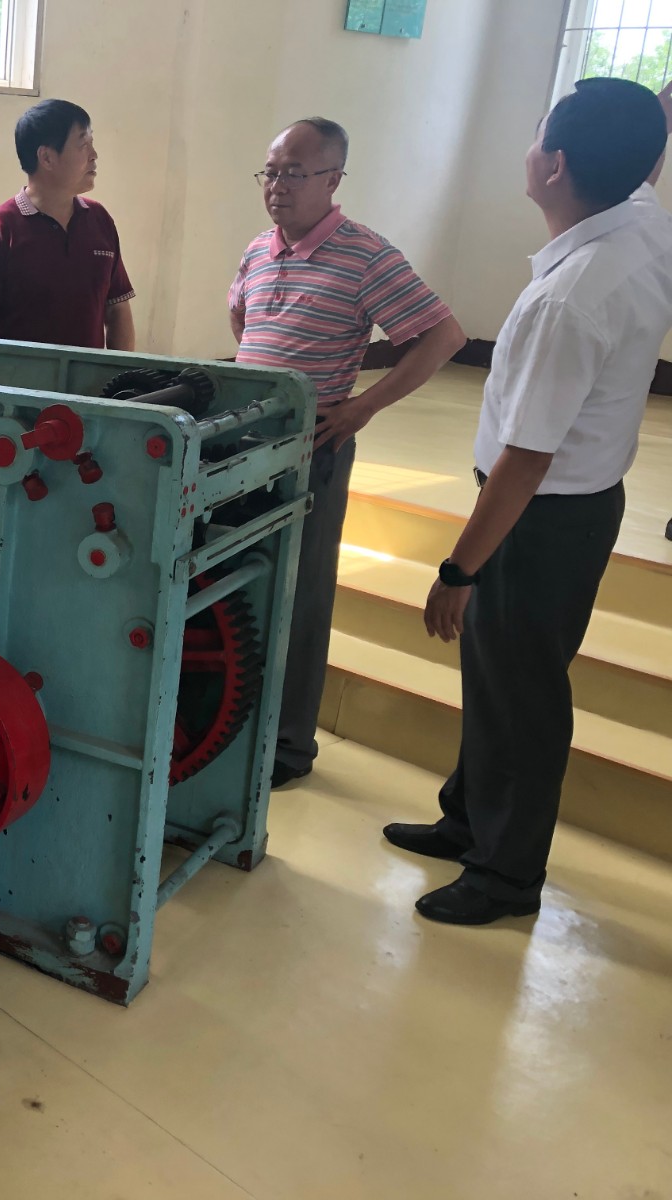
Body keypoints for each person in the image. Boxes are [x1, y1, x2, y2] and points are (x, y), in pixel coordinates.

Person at [391, 78, 672, 925]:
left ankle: (505, 876)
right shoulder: (642, 224)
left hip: (540, 517)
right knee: (499, 678)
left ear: (554, 167)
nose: (528, 147)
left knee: (523, 696)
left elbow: (525, 460)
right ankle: (468, 818)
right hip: (576, 505)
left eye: (537, 134)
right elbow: (645, 154)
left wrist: (458, 569)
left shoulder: (571, 297)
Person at [229, 117, 466, 789]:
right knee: (244, 586)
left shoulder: (366, 255)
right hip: (244, 449)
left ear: (333, 180)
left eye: (294, 173)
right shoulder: (258, 249)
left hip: (313, 452)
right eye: (270, 172)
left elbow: (443, 336)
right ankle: (237, 728)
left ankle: (287, 747)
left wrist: (363, 406)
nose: (277, 186)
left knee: (300, 599)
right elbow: (243, 319)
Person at [0, 100, 136, 350]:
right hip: (17, 376)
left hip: (88, 376)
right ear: (47, 157)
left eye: (92, 143)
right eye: (83, 144)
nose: (94, 155)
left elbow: (117, 309)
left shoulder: (100, 220)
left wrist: (124, 372)